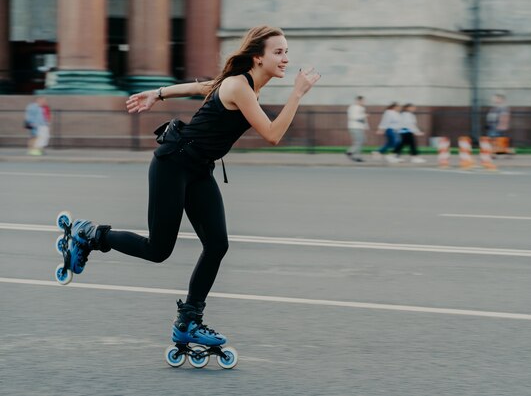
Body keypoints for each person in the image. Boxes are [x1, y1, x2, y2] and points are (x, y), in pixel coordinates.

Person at [58, 26, 321, 353]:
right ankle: (89, 235)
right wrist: (297, 94)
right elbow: (271, 134)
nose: (286, 58)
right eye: (278, 52)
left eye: (286, 51)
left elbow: (202, 87)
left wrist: (159, 93)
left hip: (198, 169)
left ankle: (188, 323)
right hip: (174, 164)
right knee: (158, 249)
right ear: (258, 57)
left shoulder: (243, 85)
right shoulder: (240, 87)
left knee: (217, 245)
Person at [345, 95, 368, 162]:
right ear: (358, 100)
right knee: (359, 141)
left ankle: (352, 153)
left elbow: (363, 120)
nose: (364, 102)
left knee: (361, 141)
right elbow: (352, 117)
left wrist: (366, 126)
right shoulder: (353, 107)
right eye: (363, 100)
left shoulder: (361, 108)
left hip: (359, 127)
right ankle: (353, 154)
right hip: (354, 127)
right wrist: (364, 115)